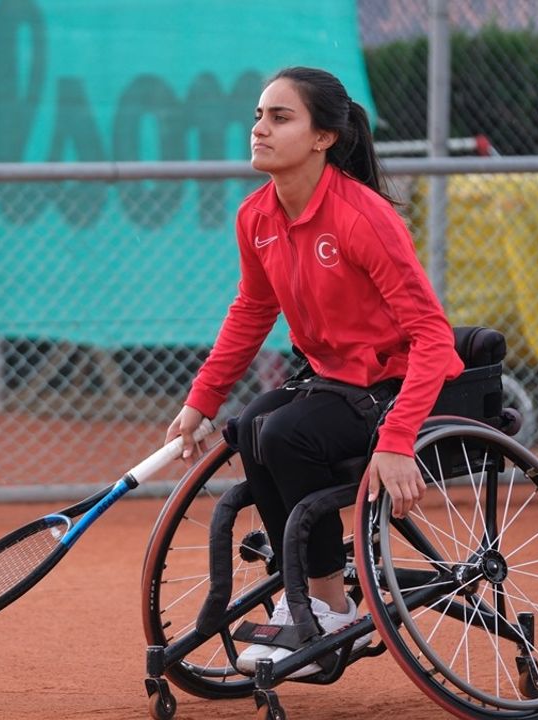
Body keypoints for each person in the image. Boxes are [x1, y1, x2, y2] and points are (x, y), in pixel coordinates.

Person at [164, 67, 465, 676]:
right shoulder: (256, 217)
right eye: (258, 116)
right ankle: (310, 595)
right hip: (333, 380)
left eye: (280, 117)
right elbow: (252, 310)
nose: (260, 129)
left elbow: (433, 335)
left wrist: (399, 439)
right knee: (250, 425)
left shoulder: (364, 217)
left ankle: (331, 609)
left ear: (323, 137)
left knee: (284, 433)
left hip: (394, 385)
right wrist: (203, 400)